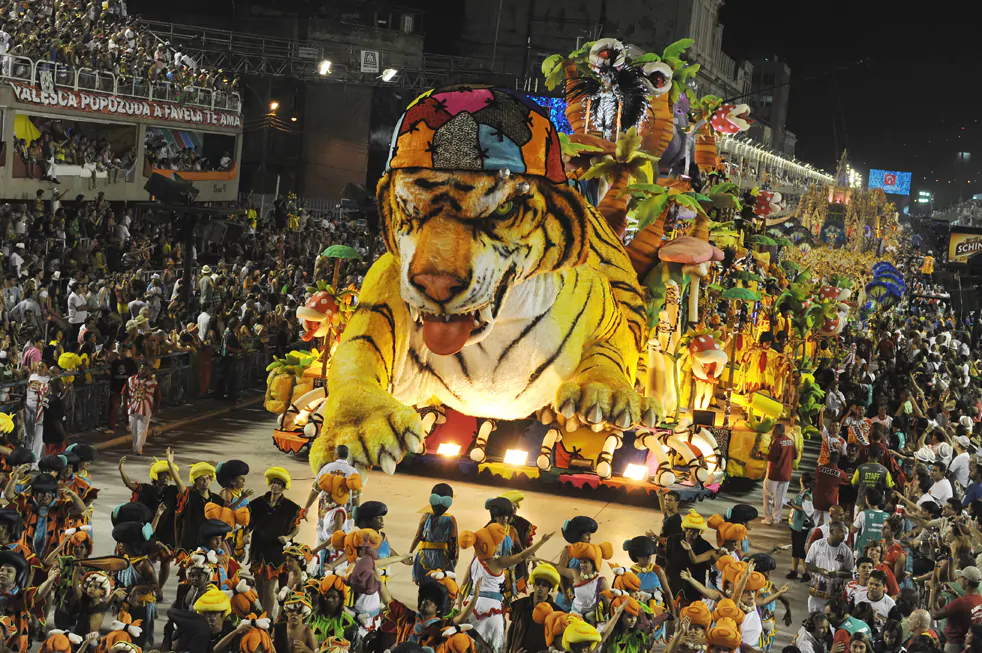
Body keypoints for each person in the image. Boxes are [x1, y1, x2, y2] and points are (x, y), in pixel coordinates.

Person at [247, 467, 301, 614]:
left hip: (276, 552)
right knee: (259, 586)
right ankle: (265, 614)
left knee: (269, 586)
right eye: (274, 483)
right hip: (258, 549)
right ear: (269, 484)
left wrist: (288, 537)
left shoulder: (291, 507)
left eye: (279, 484)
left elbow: (296, 528)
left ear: (284, 487)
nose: (275, 486)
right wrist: (245, 534)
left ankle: (267, 621)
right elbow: (249, 523)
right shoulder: (257, 504)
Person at [506, 563, 561, 653]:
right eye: (538, 583)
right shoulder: (520, 605)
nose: (540, 586)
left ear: (550, 588)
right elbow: (512, 628)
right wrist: (507, 649)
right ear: (534, 585)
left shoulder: (557, 612)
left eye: (544, 585)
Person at [928, 565, 982, 653]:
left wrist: (933, 591)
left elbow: (935, 615)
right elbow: (968, 606)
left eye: (962, 578)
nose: (960, 580)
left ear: (967, 581)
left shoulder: (960, 603)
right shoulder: (979, 598)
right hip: (968, 644)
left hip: (954, 645)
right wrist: (956, 593)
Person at [805, 521, 855, 613]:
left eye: (845, 532)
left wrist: (837, 574)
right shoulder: (817, 545)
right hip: (816, 594)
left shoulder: (846, 551)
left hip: (835, 595)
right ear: (831, 531)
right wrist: (819, 570)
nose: (843, 535)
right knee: (814, 620)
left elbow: (851, 573)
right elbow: (808, 564)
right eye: (840, 531)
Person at [122, 362, 160, 455]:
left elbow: (157, 397)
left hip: (146, 410)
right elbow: (125, 392)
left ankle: (139, 448)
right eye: (142, 369)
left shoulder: (153, 383)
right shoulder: (131, 380)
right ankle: (135, 445)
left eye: (146, 369)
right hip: (132, 408)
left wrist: (157, 408)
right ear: (138, 369)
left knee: (142, 429)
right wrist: (123, 403)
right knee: (133, 428)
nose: (143, 371)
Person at [763, 424, 796, 525]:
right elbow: (795, 456)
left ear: (778, 430)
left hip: (774, 473)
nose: (772, 432)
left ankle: (768, 519)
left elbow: (771, 458)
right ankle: (777, 517)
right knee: (780, 497)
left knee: (768, 495)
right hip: (786, 473)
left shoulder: (777, 442)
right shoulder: (791, 441)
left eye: (774, 430)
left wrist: (760, 455)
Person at [788, 472, 815, 580]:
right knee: (795, 549)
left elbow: (809, 511)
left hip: (801, 526)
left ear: (801, 481)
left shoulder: (806, 495)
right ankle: (794, 571)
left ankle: (805, 573)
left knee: (801, 550)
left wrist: (794, 506)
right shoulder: (802, 493)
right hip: (795, 525)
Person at [852, 489, 888, 560]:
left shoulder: (863, 514)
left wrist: (857, 515)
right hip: (880, 554)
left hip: (863, 554)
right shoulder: (887, 516)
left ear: (867, 500)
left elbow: (853, 530)